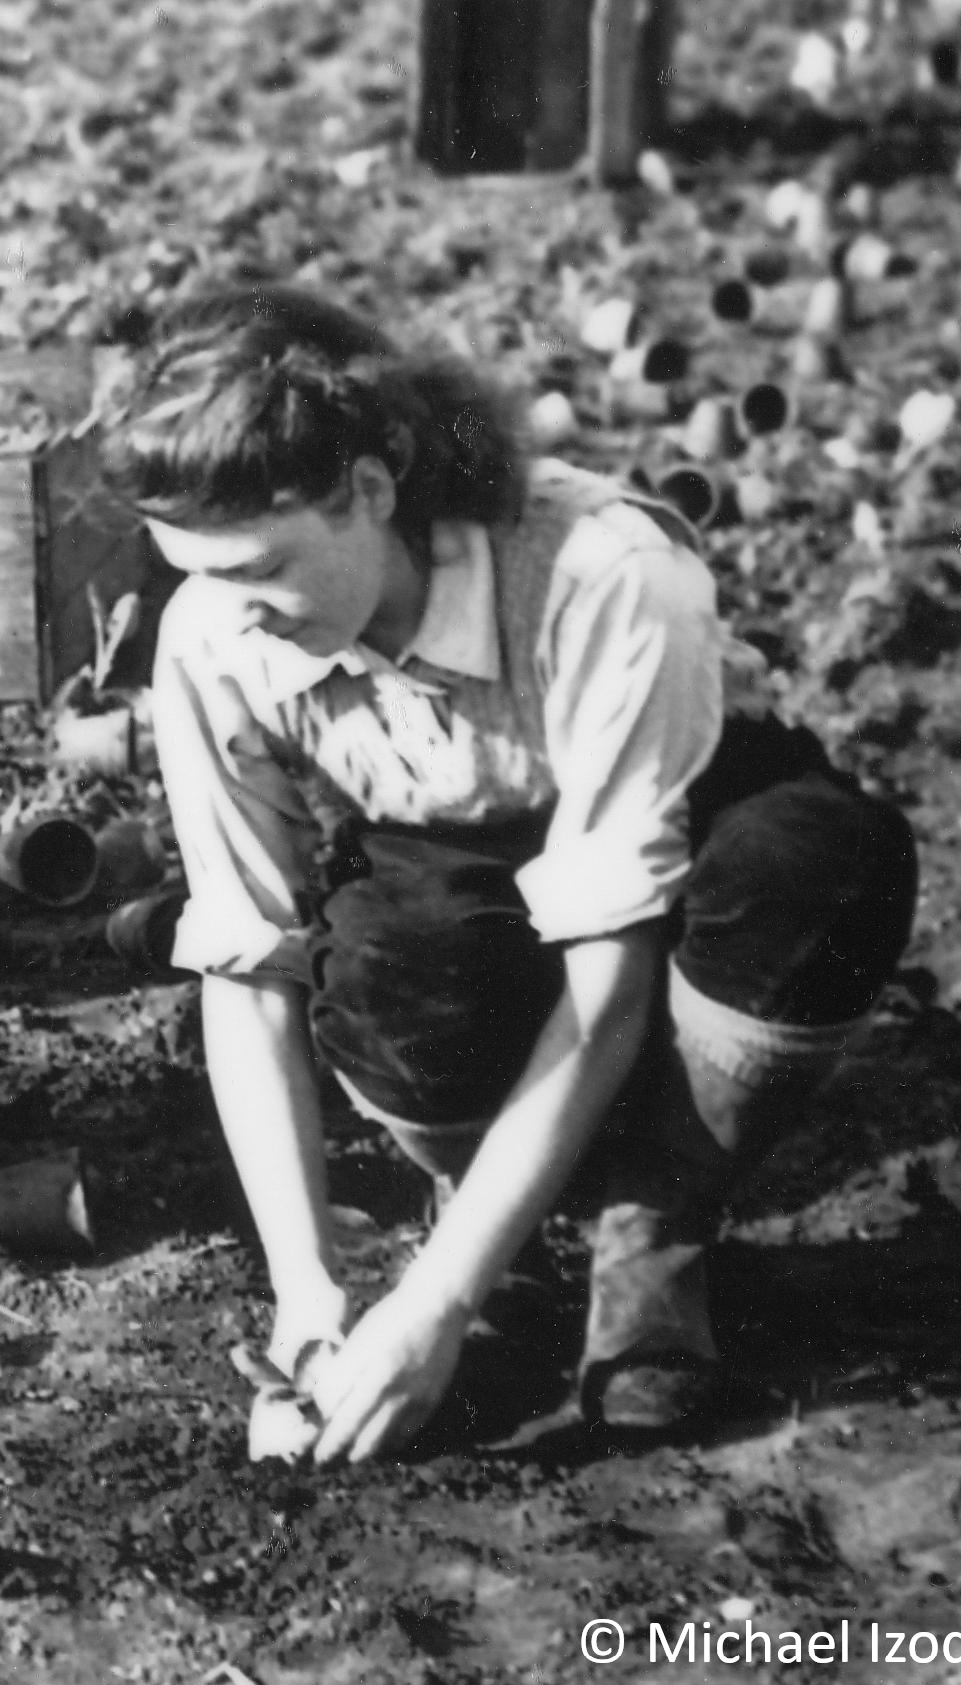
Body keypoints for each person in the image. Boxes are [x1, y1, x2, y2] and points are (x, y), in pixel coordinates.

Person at [104, 286, 916, 1461]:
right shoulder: (215, 635)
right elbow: (249, 964)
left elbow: (611, 969)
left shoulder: (607, 573)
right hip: (461, 851)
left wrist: (431, 1304)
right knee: (388, 953)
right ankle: (507, 1221)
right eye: (199, 571)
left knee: (818, 865)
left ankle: (655, 1220)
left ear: (372, 488)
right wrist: (310, 1292)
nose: (232, 611)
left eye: (264, 566)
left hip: (683, 834)